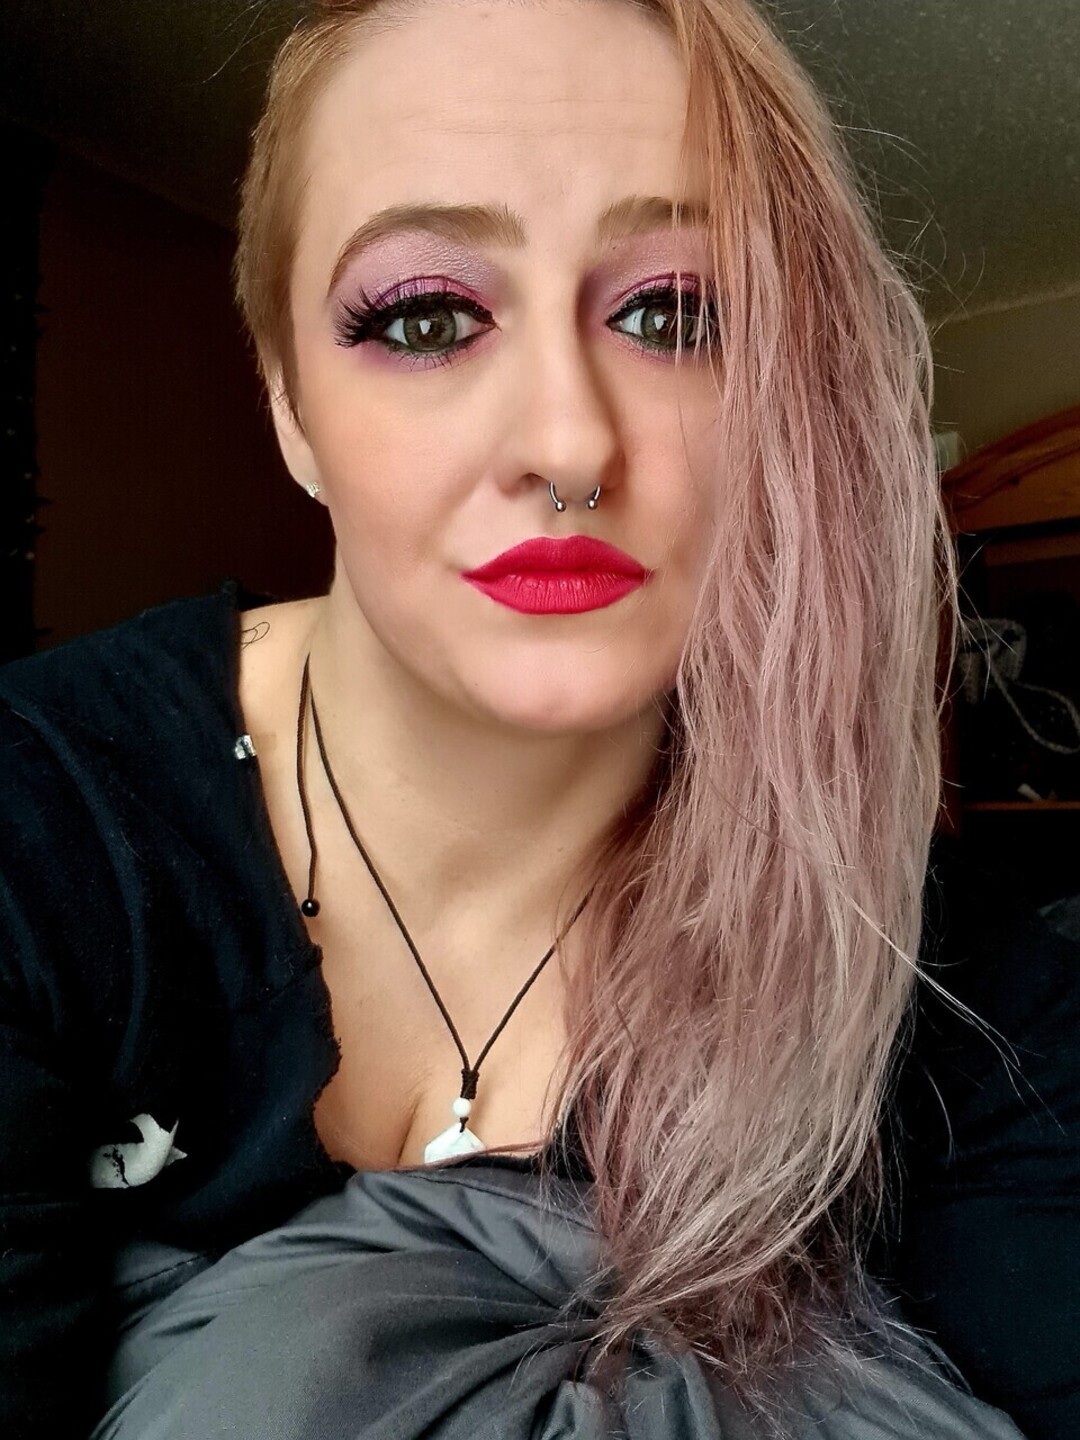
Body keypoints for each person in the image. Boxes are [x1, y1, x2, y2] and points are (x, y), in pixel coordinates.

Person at [0, 0, 1072, 1435]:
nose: (568, 444)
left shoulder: (947, 986)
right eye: (427, 318)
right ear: (291, 407)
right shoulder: (37, 827)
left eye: (672, 315)